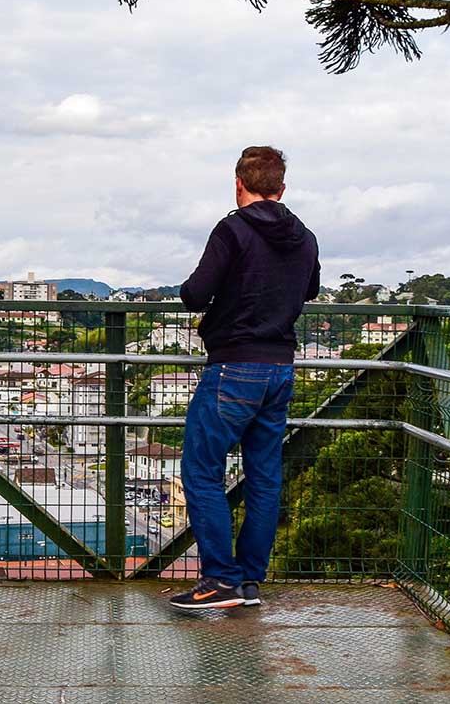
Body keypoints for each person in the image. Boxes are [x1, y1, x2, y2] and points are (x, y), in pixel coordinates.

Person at [168, 146, 320, 610]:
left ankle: (220, 581)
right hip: (281, 368)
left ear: (239, 184)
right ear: (282, 187)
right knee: (264, 477)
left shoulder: (232, 229)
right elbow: (310, 288)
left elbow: (195, 294)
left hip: (234, 366)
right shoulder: (305, 236)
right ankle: (250, 580)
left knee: (201, 470)